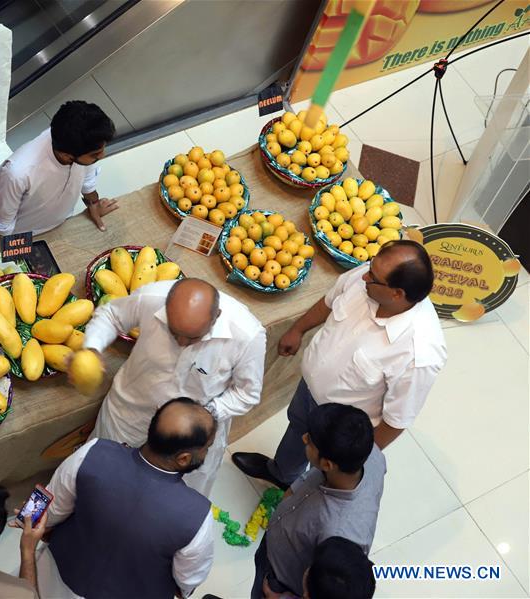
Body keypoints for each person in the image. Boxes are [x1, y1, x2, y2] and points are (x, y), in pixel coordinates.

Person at [233, 240, 445, 489]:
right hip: (309, 392)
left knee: (320, 479)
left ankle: (302, 496)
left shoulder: (419, 354)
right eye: (370, 267)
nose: (365, 275)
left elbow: (395, 422)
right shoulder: (368, 278)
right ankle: (281, 472)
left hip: (340, 429)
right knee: (297, 431)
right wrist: (298, 329)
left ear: (397, 294)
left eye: (373, 276)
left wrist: (349, 461)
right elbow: (330, 302)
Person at [82, 278, 266, 495]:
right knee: (100, 474)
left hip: (190, 439)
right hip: (130, 413)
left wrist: (204, 416)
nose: (181, 343)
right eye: (173, 332)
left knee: (171, 497)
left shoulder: (247, 335)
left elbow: (247, 394)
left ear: (216, 317)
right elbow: (111, 315)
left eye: (192, 338)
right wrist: (92, 347)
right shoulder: (152, 297)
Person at [37, 398, 217, 599]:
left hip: (53, 580)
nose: (207, 452)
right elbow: (188, 581)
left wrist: (36, 526)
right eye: (207, 447)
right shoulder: (198, 516)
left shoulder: (92, 452)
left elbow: (48, 513)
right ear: (183, 459)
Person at [251, 403, 385, 599]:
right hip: (277, 545)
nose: (304, 438)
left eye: (311, 441)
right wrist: (292, 493)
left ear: (328, 464)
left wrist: (283, 598)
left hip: (281, 581)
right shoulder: (369, 453)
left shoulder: (340, 535)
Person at [0, 101, 118, 264]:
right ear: (66, 156)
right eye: (96, 154)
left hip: (54, 227)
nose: (102, 156)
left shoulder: (77, 140)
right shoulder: (19, 172)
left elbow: (88, 177)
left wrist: (94, 204)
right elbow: (2, 221)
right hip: (9, 240)